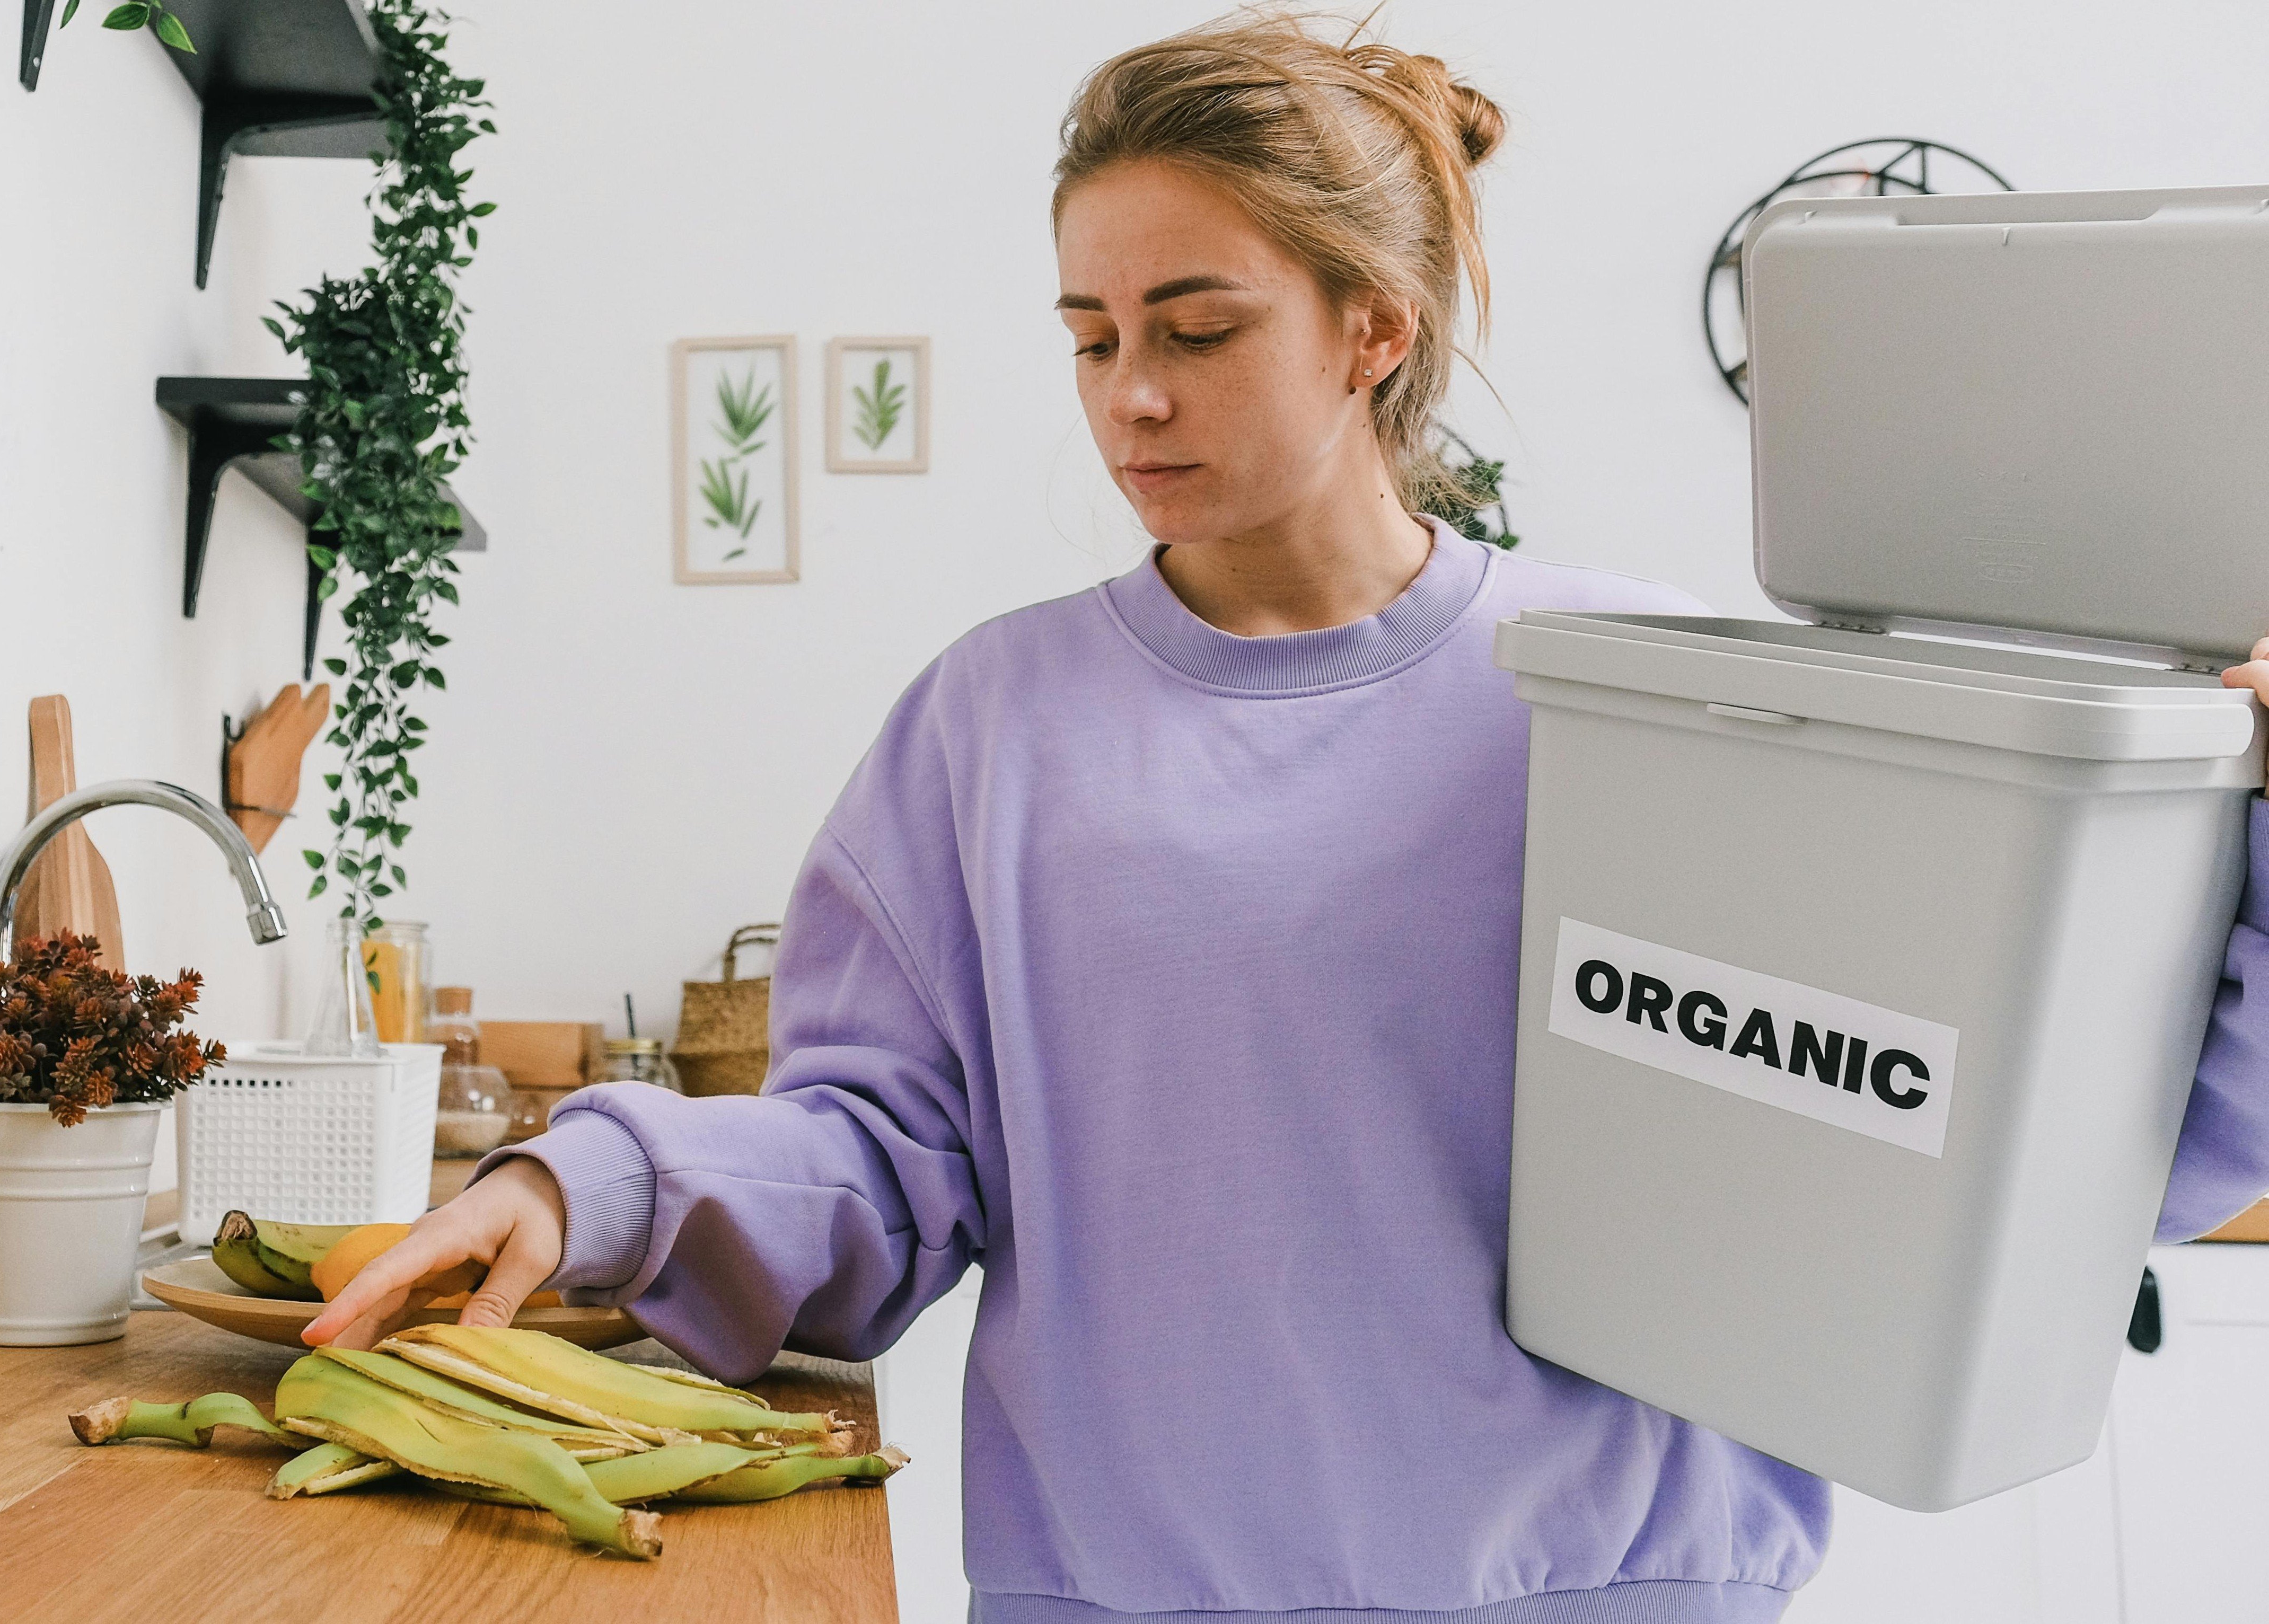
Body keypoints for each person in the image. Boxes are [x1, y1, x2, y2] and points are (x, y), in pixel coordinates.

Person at [305, 8, 2269, 1619]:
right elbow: (880, 1171)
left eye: (1193, 326)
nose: (1127, 399)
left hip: (1611, 1591)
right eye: (1087, 339)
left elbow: (2014, 1146)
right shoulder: (989, 728)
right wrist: (593, 1182)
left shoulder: (1654, 697)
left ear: (1371, 328)